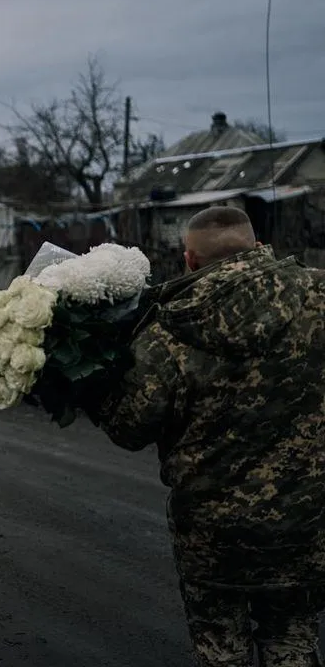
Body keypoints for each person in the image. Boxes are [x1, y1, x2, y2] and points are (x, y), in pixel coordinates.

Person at [91, 206, 325, 667]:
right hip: (308, 518)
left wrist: (94, 388)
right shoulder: (319, 297)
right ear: (258, 248)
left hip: (214, 533)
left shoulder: (168, 330)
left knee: (221, 647)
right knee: (293, 638)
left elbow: (129, 429)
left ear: (190, 261)